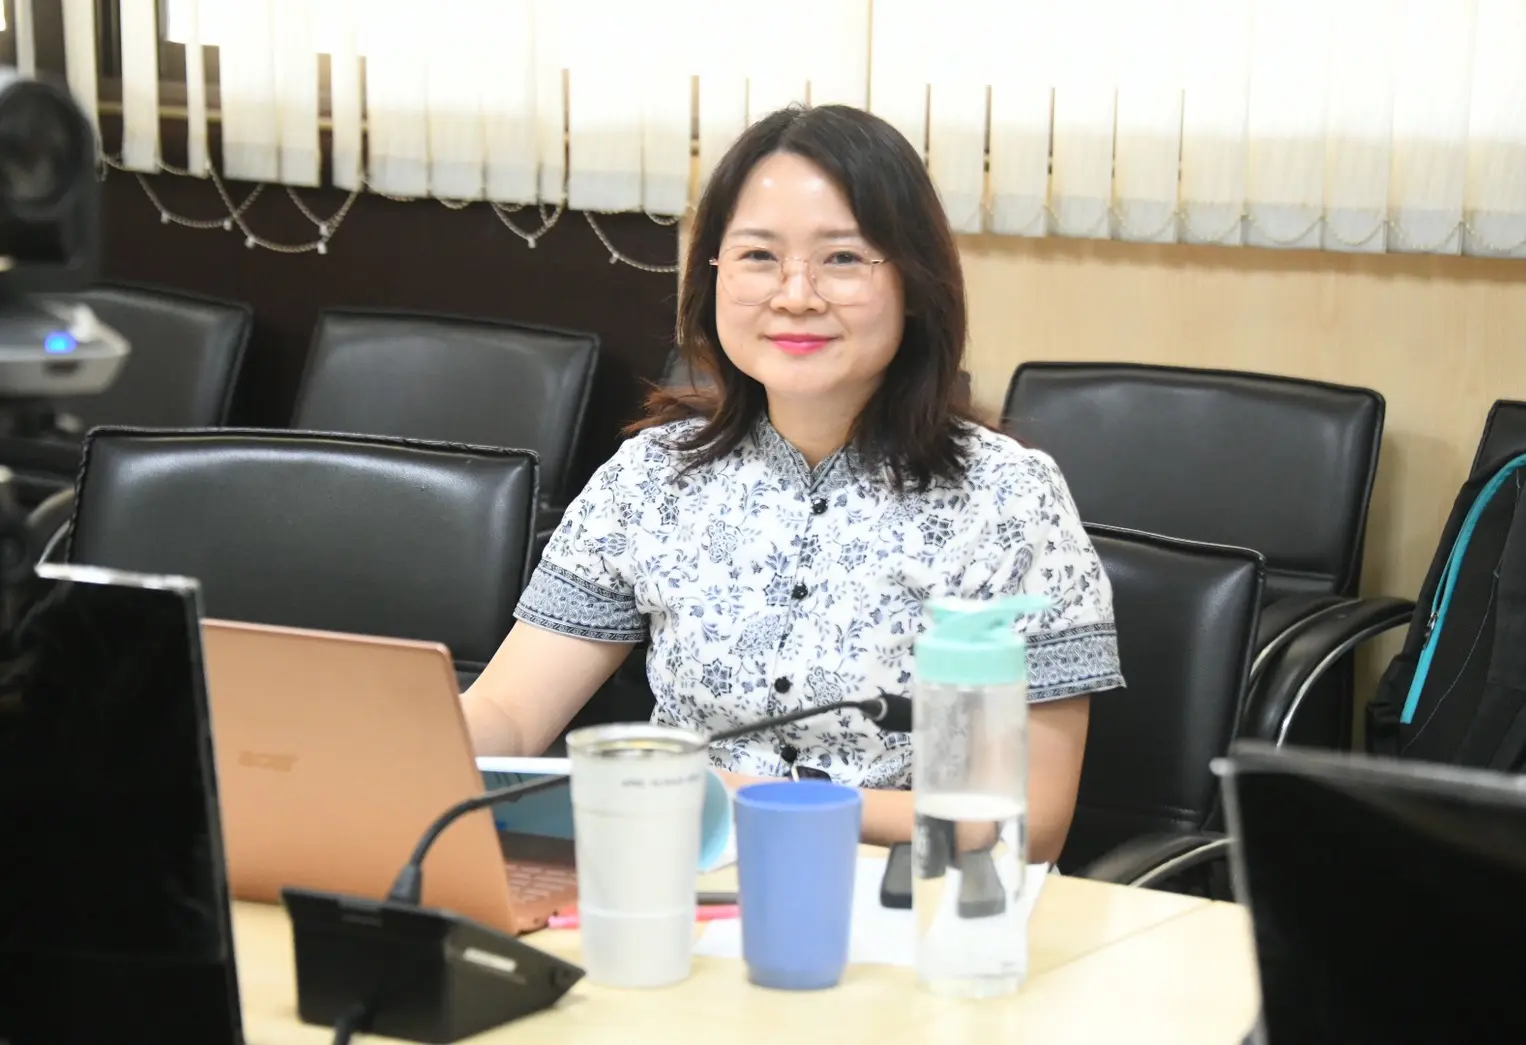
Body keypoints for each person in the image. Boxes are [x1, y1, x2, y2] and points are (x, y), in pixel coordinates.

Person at [461, 104, 1123, 864]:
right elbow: (511, 713)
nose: (796, 294)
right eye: (758, 256)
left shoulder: (1005, 497)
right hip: (674, 877)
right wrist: (408, 736)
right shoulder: (651, 476)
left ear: (914, 282)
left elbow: (1024, 823)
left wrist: (730, 794)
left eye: (842, 258)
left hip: (898, 896)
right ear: (712, 275)